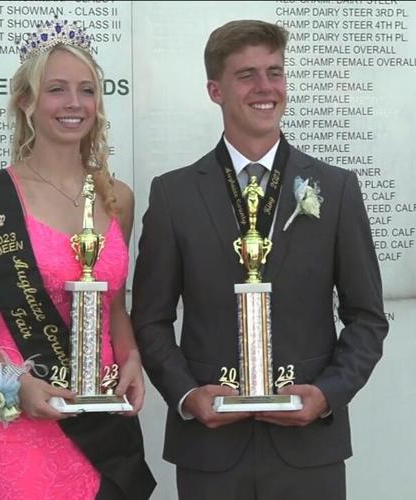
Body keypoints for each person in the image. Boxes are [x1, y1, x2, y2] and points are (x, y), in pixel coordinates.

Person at [131, 19, 389, 500]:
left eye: (275, 72)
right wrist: (188, 396)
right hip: (209, 450)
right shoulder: (173, 195)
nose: (266, 87)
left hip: (310, 447)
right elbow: (150, 319)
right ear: (215, 90)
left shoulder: (335, 189)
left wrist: (327, 395)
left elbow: (367, 318)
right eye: (247, 74)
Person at [0, 18, 155, 500]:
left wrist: (132, 357)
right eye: (56, 90)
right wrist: (16, 383)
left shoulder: (117, 197)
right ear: (27, 103)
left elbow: (114, 303)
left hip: (101, 415)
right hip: (23, 415)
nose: (74, 104)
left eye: (86, 90)